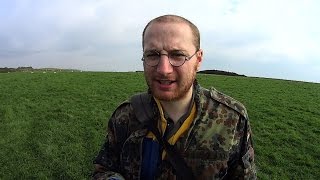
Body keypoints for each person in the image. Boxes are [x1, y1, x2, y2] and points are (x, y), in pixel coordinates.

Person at [93, 14, 256, 180]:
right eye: (153, 55)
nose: (164, 69)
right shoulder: (125, 116)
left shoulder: (232, 119)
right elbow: (104, 168)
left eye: (177, 55)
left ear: (198, 60)